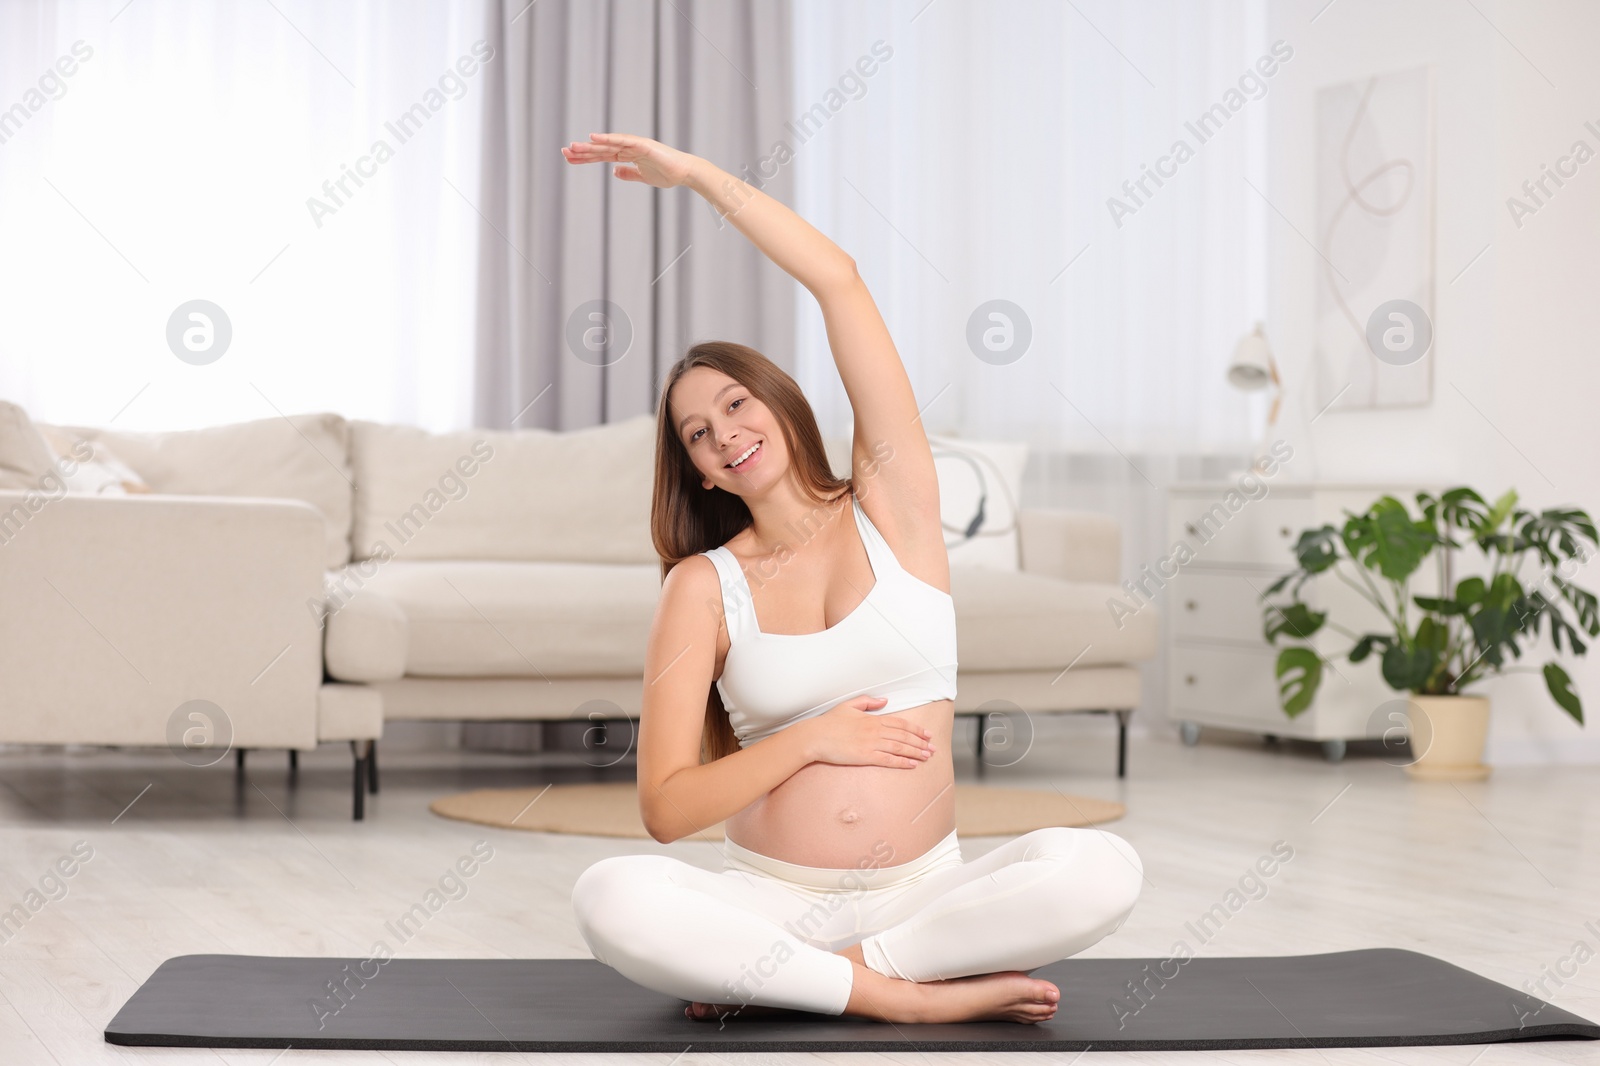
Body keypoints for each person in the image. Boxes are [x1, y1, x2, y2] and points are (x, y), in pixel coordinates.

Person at [562, 132, 1143, 1026]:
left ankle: (830, 973)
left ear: (782, 404)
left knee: (1103, 869)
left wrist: (699, 178)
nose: (723, 435)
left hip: (925, 896)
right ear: (701, 475)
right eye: (696, 435)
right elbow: (665, 810)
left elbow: (838, 280)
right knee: (611, 895)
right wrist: (809, 740)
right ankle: (900, 1000)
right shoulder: (701, 587)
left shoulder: (895, 507)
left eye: (735, 404)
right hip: (769, 897)